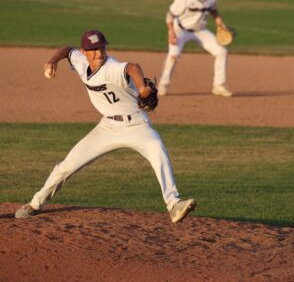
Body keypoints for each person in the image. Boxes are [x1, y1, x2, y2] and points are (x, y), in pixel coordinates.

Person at [15, 29, 196, 223]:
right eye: (93, 49)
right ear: (84, 52)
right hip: (107, 128)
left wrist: (142, 88)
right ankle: (35, 203)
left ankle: (173, 203)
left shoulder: (111, 67)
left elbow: (132, 67)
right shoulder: (81, 60)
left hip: (136, 125)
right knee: (67, 166)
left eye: (101, 47)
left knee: (157, 149)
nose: (99, 53)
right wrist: (52, 61)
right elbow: (68, 50)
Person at [158, 0, 233, 97]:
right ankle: (163, 85)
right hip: (180, 29)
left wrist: (218, 20)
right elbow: (170, 15)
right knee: (174, 55)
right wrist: (171, 32)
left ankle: (219, 85)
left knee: (222, 52)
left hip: (200, 30)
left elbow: (213, 10)